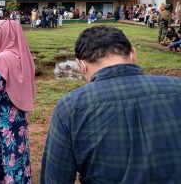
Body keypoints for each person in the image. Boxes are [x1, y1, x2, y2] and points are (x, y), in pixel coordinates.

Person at [40, 25, 181, 183]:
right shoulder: (177, 89)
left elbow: (55, 178)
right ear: (133, 54)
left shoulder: (70, 107)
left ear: (81, 65)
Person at [0, 19, 35, 183]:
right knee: (17, 156)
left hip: (2, 124)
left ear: (1, 34)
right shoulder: (22, 56)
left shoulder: (2, 59)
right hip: (18, 120)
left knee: (3, 157)